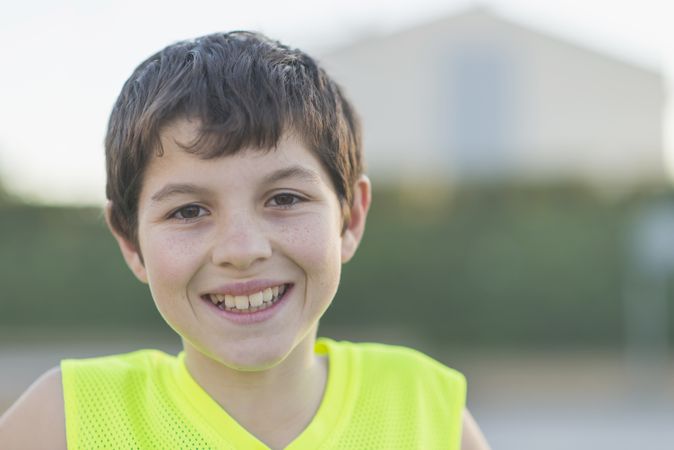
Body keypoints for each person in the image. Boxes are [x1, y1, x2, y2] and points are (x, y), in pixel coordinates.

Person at [0, 31, 490, 449]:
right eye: (188, 211)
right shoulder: (63, 424)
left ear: (351, 217)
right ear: (130, 242)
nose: (242, 249)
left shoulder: (430, 413)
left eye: (284, 199)